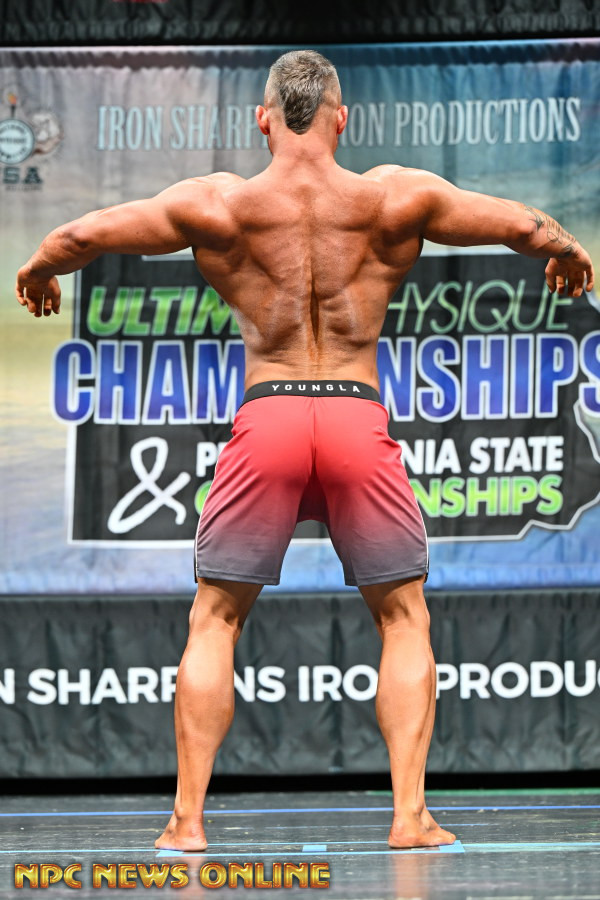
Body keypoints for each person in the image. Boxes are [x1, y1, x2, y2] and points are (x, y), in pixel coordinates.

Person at [16, 50, 594, 851]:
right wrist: (566, 250)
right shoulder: (393, 196)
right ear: (340, 118)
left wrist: (41, 269)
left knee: (216, 618)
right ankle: (409, 816)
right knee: (403, 617)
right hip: (355, 417)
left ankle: (186, 822)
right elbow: (525, 228)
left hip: (271, 417)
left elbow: (80, 235)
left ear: (264, 120)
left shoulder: (219, 204)